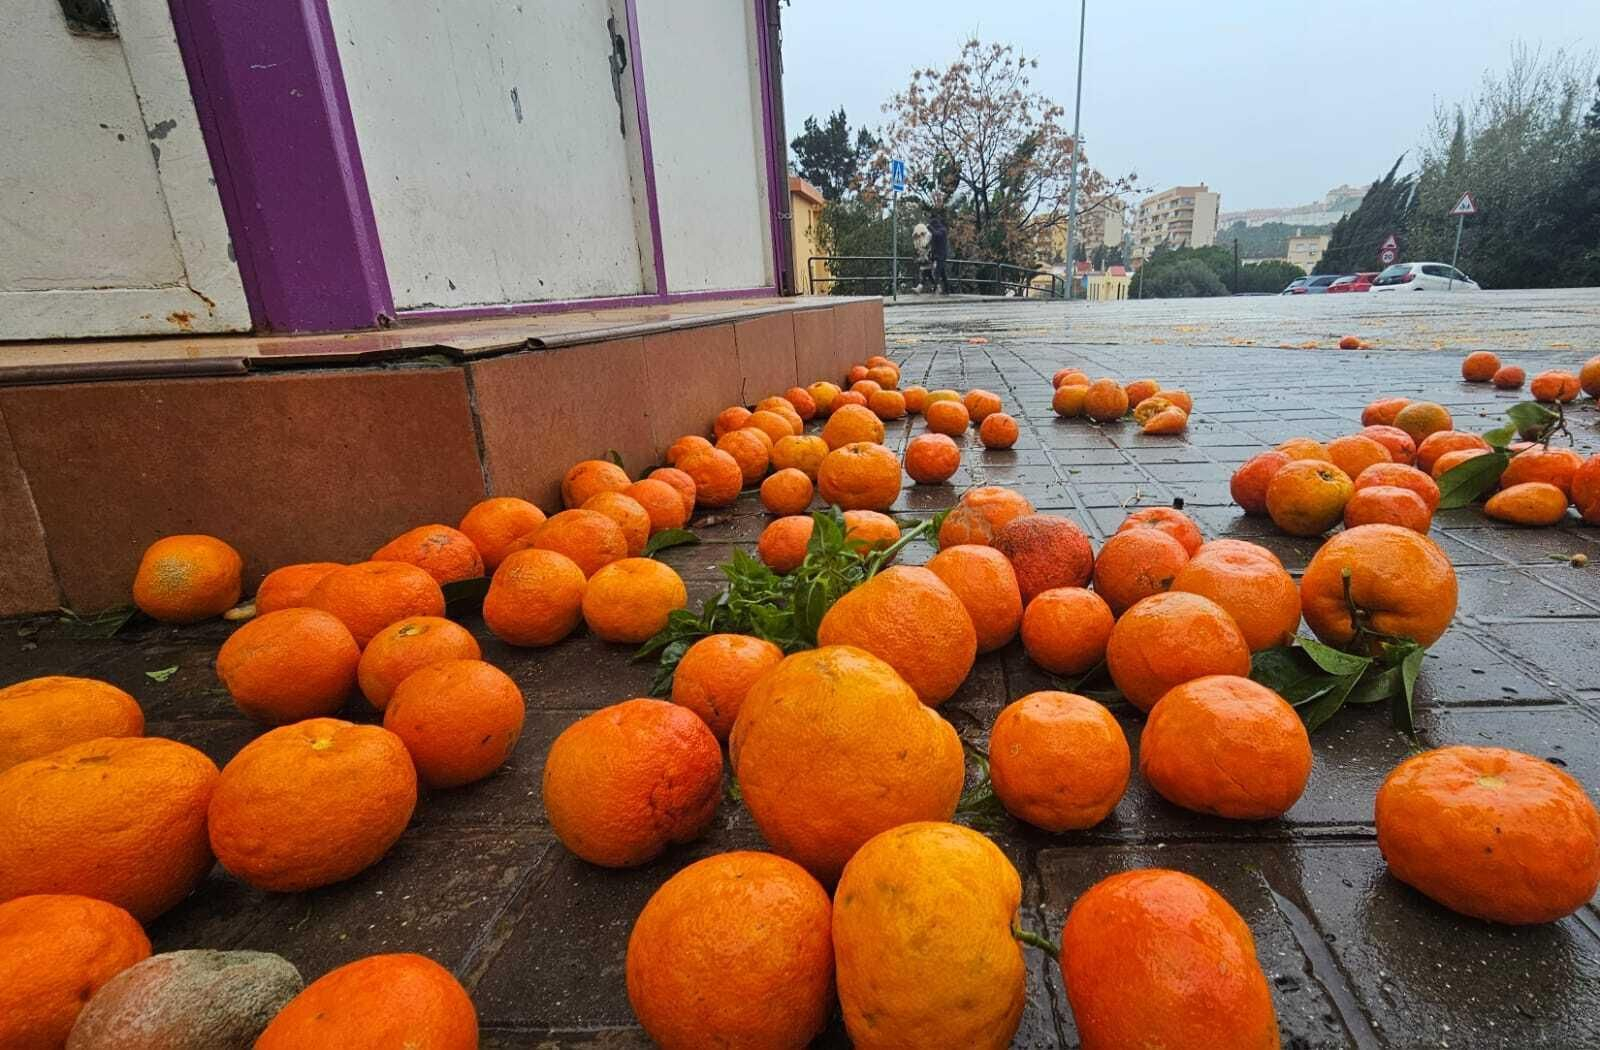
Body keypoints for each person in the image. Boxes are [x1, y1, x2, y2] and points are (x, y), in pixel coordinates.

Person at [928, 214, 950, 294]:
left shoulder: (942, 230)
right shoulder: (936, 230)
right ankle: (947, 289)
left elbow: (937, 235)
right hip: (937, 254)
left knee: (937, 271)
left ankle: (935, 288)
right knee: (942, 273)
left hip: (942, 254)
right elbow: (933, 243)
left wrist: (931, 229)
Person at [911, 223, 932, 292]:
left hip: (928, 258)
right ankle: (936, 286)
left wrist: (924, 254)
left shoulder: (928, 238)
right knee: (928, 274)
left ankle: (920, 288)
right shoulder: (923, 239)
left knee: (924, 273)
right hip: (925, 259)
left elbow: (928, 248)